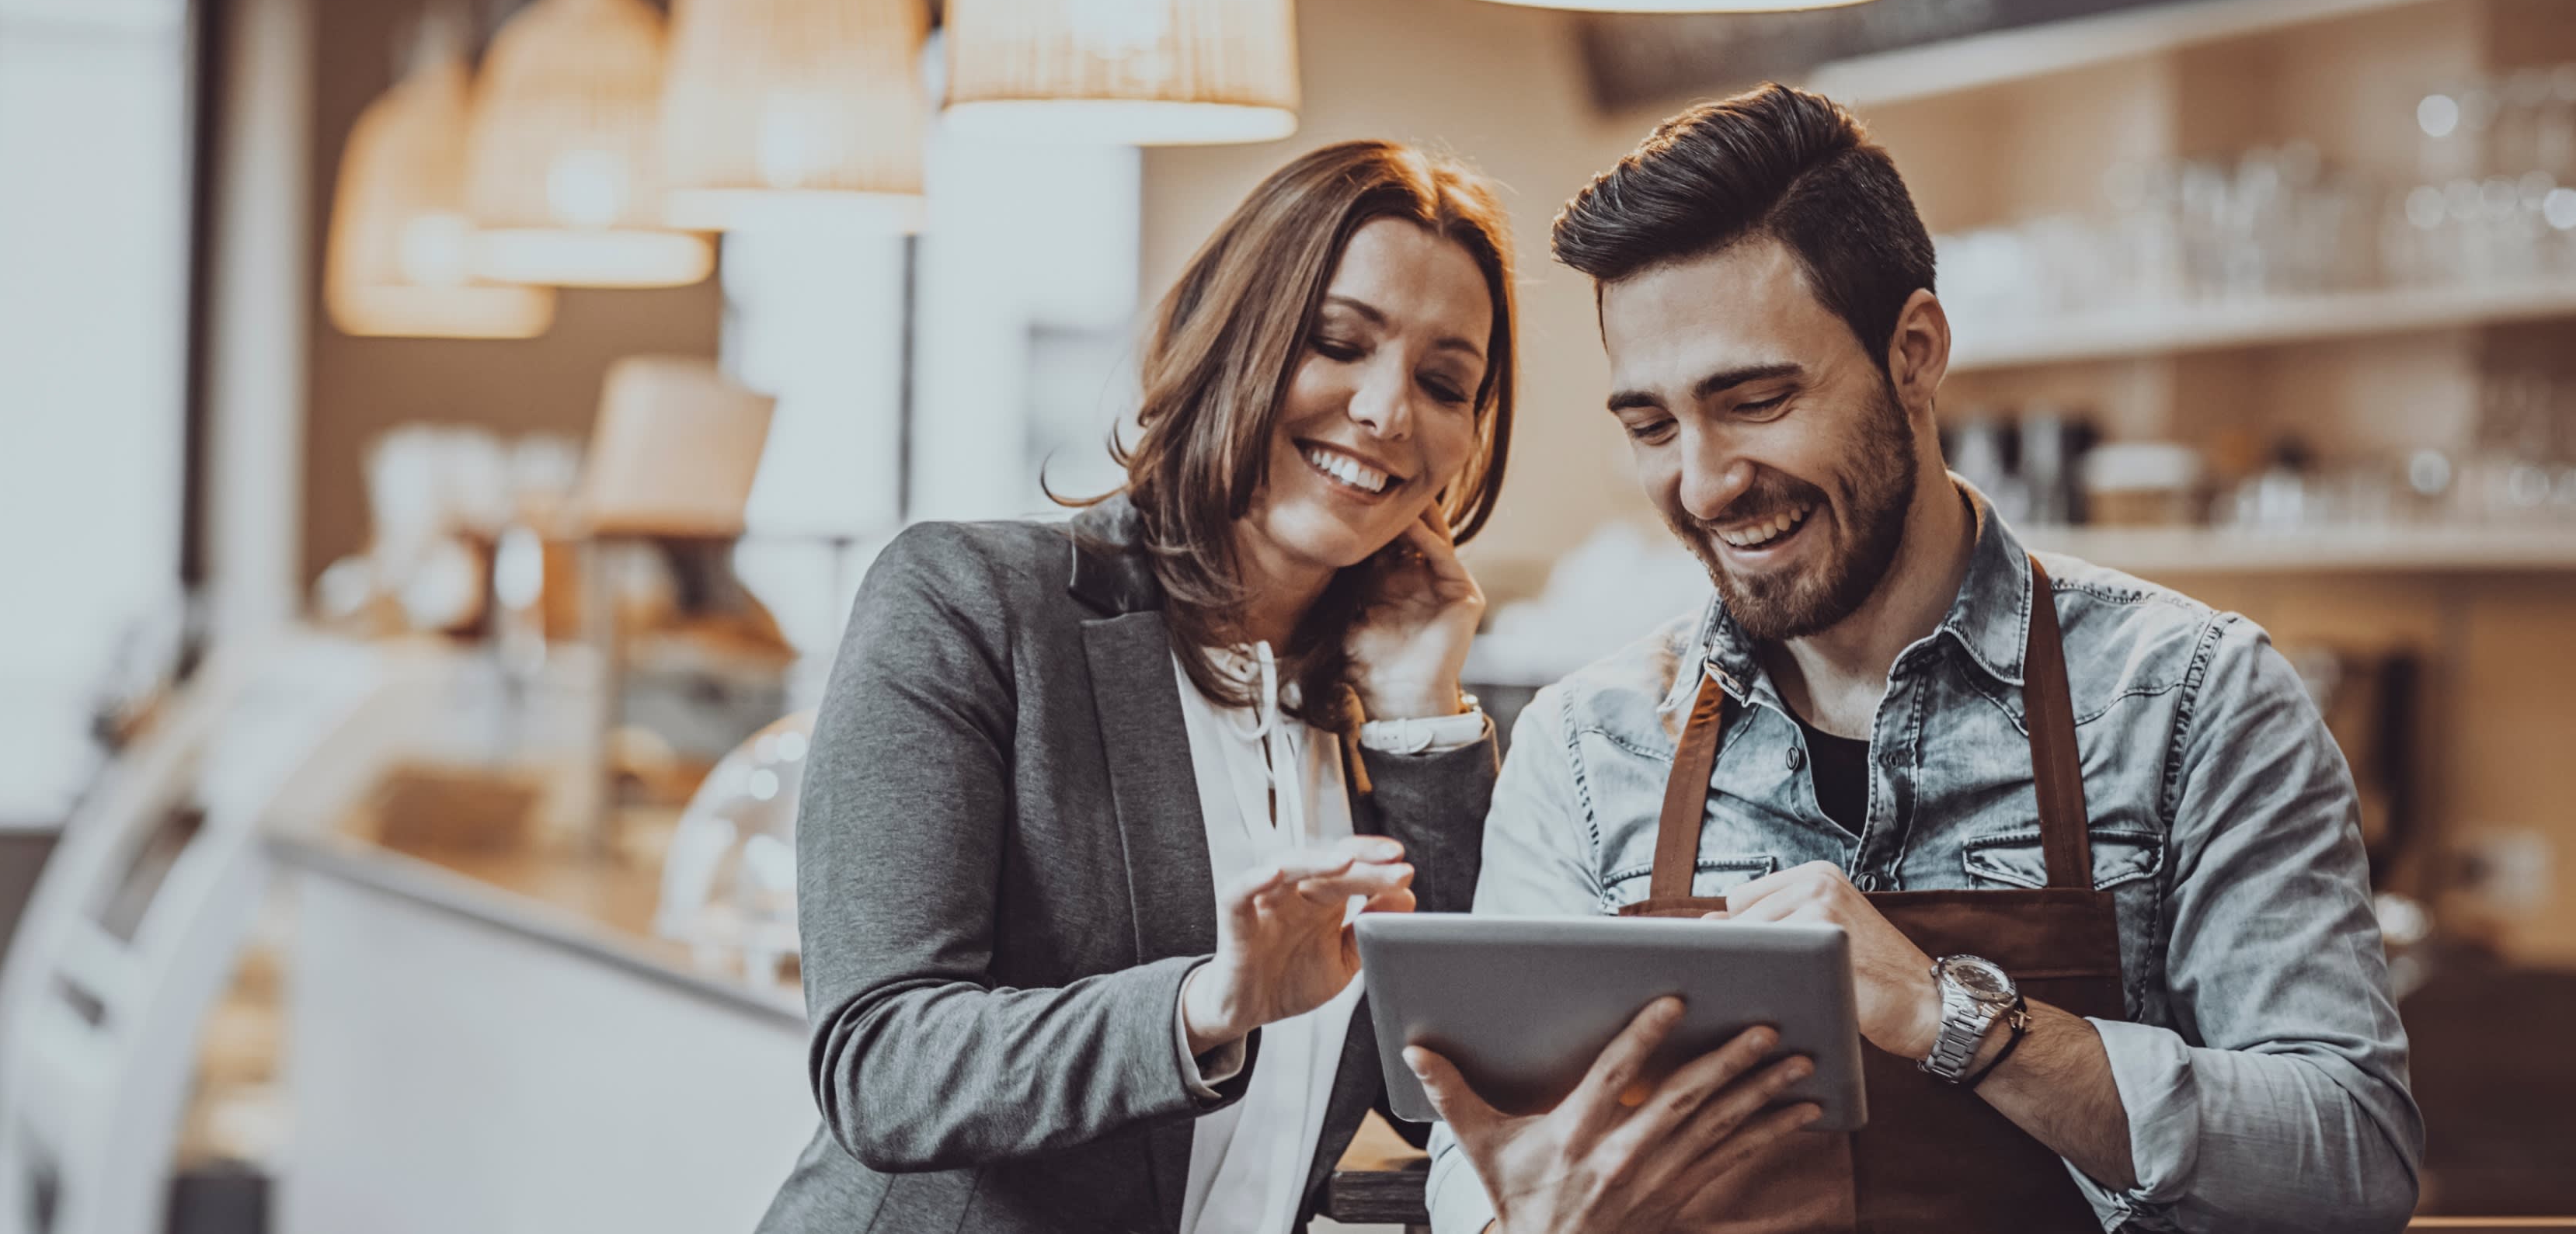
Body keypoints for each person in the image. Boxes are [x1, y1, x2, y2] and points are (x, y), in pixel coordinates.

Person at [756, 140, 1816, 1234]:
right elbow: (882, 1064)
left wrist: (1417, 713)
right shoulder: (972, 604)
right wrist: (1208, 1004)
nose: (1386, 410)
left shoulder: (1393, 718)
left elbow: (1446, 1096)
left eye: (1445, 381)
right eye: (1338, 344)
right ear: (1232, 337)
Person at [1414, 85, 2423, 1234]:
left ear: (1914, 353)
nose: (1702, 482)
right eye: (1652, 427)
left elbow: (2351, 1158)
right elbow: (1486, 1151)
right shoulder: (1587, 748)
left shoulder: (2196, 699)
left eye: (1754, 401)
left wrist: (1950, 1016)